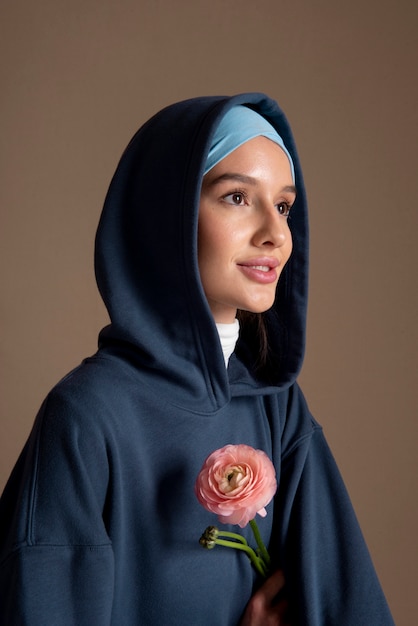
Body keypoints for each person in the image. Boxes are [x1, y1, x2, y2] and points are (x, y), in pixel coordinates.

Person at [0, 93, 394, 625]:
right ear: (169, 214)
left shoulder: (277, 408)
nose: (276, 234)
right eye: (236, 198)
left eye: (283, 206)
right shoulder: (85, 417)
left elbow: (351, 607)